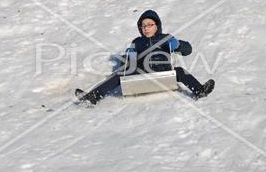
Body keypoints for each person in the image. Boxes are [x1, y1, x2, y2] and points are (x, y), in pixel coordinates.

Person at [75, 10, 215, 105]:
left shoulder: (166, 38)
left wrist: (178, 44)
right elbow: (130, 66)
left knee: (180, 71)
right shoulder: (138, 42)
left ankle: (199, 90)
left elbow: (188, 50)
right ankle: (93, 97)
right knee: (118, 76)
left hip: (164, 74)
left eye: (149, 25)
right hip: (143, 75)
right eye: (143, 26)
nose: (146, 28)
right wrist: (129, 58)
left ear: (157, 26)